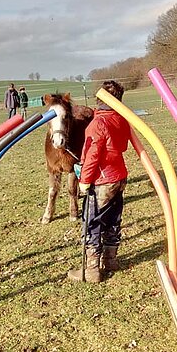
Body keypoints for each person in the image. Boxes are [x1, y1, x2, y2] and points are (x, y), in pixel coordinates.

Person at [68, 80, 131, 283]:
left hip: (102, 180)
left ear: (99, 98)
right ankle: (110, 260)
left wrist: (85, 180)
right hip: (119, 176)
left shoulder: (98, 124)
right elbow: (123, 146)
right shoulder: (122, 119)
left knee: (92, 222)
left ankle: (92, 270)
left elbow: (92, 154)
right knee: (113, 219)